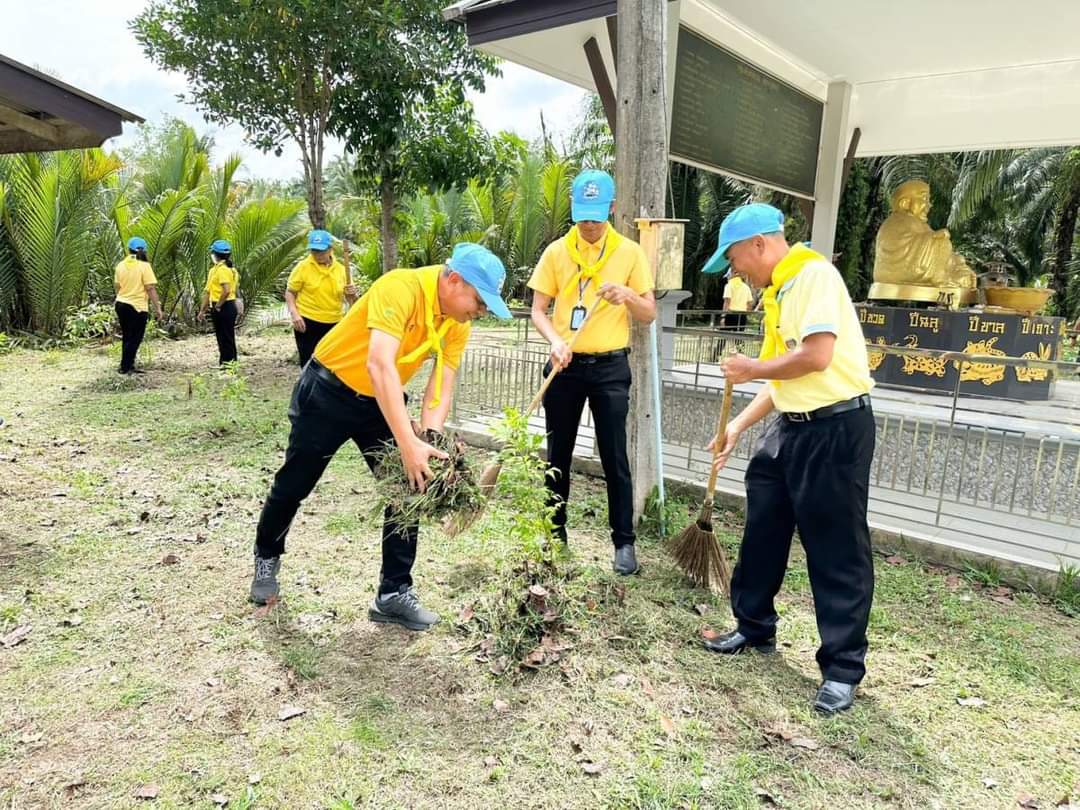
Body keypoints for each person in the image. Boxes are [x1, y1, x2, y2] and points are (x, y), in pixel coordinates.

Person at [249, 242, 512, 631]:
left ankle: (393, 593)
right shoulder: (400, 287)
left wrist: (429, 442)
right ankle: (267, 556)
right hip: (328, 390)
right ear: (454, 280)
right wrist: (407, 442)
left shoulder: (457, 322)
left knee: (411, 483)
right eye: (479, 299)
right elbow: (379, 363)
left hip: (379, 402)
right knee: (295, 483)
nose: (481, 310)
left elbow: (442, 382)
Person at [700, 203, 876, 715]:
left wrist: (751, 367)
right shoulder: (780, 292)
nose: (737, 271)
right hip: (791, 427)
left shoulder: (814, 277)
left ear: (759, 243)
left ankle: (841, 668)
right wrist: (737, 425)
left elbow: (817, 356)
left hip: (836, 428)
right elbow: (784, 379)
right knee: (763, 530)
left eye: (734, 259)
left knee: (835, 548)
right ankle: (754, 628)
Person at [528, 169, 656, 576]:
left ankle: (624, 542)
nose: (589, 226)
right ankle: (554, 533)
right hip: (564, 367)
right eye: (583, 216)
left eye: (597, 217)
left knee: (614, 455)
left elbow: (649, 314)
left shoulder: (630, 253)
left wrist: (629, 296)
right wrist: (554, 340)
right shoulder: (555, 252)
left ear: (612, 209)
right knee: (557, 455)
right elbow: (538, 310)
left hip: (610, 368)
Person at [286, 229, 358, 367]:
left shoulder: (342, 270)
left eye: (321, 251)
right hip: (307, 321)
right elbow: (290, 292)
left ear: (330, 249)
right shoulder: (303, 267)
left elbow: (351, 301)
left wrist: (352, 294)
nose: (317, 255)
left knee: (331, 364)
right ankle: (308, 388)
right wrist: (294, 314)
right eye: (314, 251)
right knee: (308, 364)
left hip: (333, 322)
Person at [114, 236, 163, 374]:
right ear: (144, 251)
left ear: (128, 250)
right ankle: (125, 366)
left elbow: (117, 286)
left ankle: (128, 365)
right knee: (135, 337)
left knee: (127, 336)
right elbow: (150, 288)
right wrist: (158, 308)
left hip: (121, 304)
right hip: (137, 306)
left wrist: (123, 295)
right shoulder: (144, 266)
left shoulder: (120, 265)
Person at [198, 240, 240, 365]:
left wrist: (218, 305)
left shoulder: (223, 270)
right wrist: (203, 310)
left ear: (214, 254)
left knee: (226, 337)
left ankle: (229, 365)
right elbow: (208, 292)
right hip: (223, 305)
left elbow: (226, 291)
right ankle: (225, 363)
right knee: (223, 337)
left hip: (223, 306)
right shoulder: (219, 270)